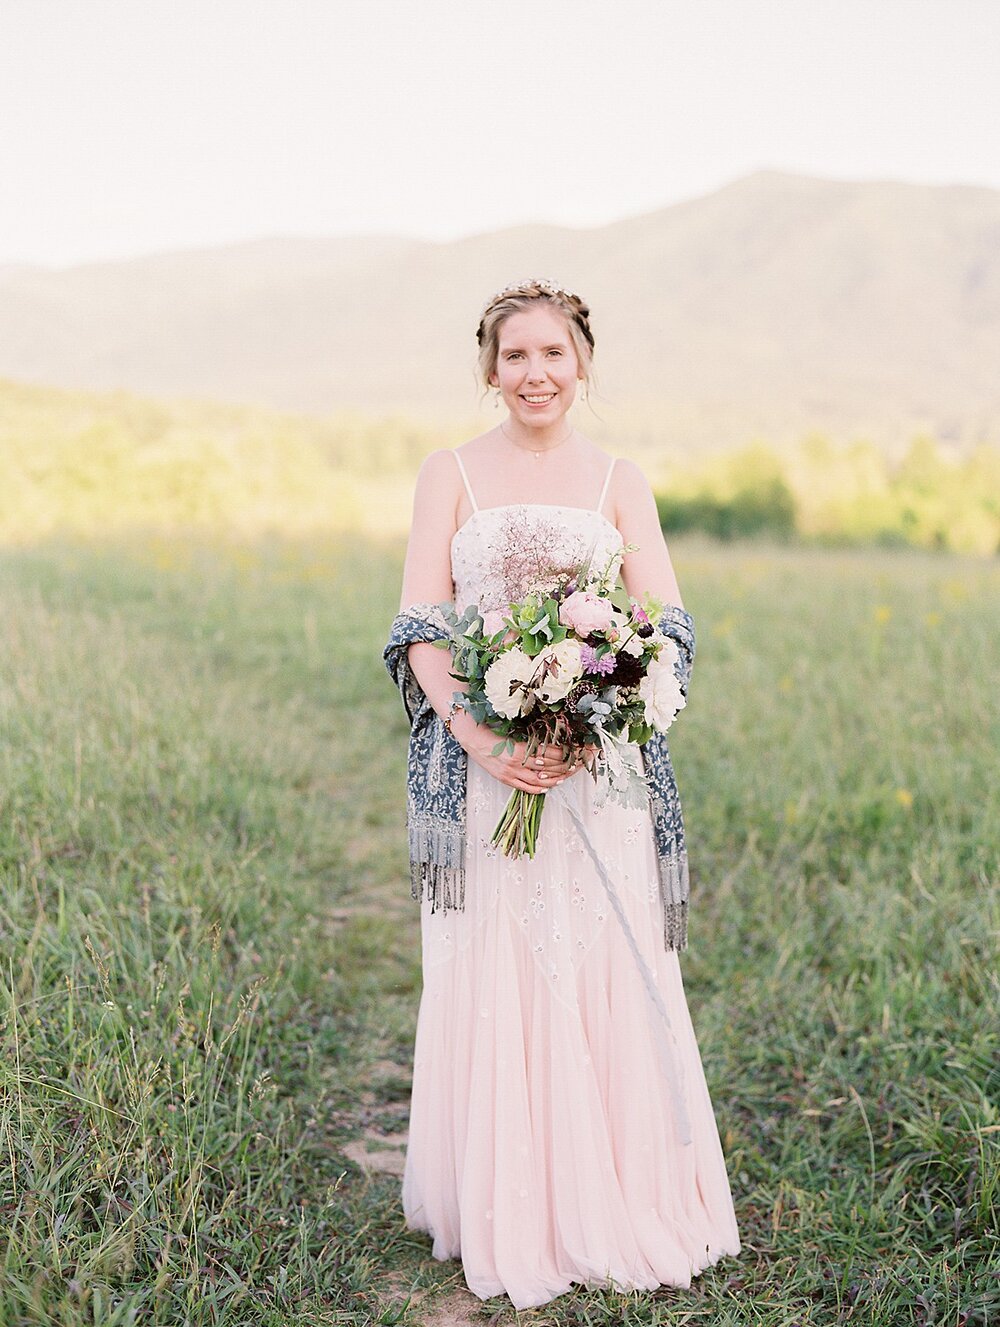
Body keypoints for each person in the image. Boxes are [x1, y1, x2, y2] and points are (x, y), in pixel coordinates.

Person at [384, 279, 740, 1310]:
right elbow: (417, 625)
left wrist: (596, 712)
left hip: (598, 777)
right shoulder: (446, 473)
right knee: (501, 965)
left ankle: (617, 1199)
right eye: (514, 357)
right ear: (489, 371)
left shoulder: (619, 480)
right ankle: (507, 1206)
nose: (534, 374)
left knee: (598, 968)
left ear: (582, 362)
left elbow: (666, 622)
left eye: (552, 354)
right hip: (487, 771)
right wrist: (481, 736)